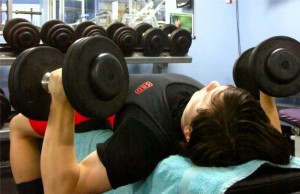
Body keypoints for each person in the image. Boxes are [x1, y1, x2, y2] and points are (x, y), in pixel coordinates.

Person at [9, 69, 290, 194]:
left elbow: (64, 189)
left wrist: (61, 100)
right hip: (114, 76)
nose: (212, 84)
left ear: (188, 133)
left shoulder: (144, 139)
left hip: (99, 99)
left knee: (19, 126)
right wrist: (267, 92)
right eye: (223, 89)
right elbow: (273, 143)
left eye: (208, 96)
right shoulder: (231, 122)